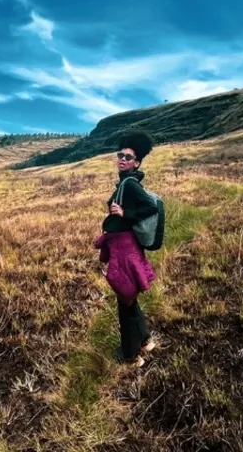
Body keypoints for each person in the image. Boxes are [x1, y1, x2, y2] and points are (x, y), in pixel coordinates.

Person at [94, 130, 159, 367]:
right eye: (120, 154)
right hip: (123, 246)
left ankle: (130, 356)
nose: (122, 159)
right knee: (128, 297)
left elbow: (150, 208)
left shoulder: (130, 185)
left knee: (125, 299)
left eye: (128, 157)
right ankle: (144, 340)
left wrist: (125, 214)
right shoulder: (125, 183)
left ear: (137, 162)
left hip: (124, 250)